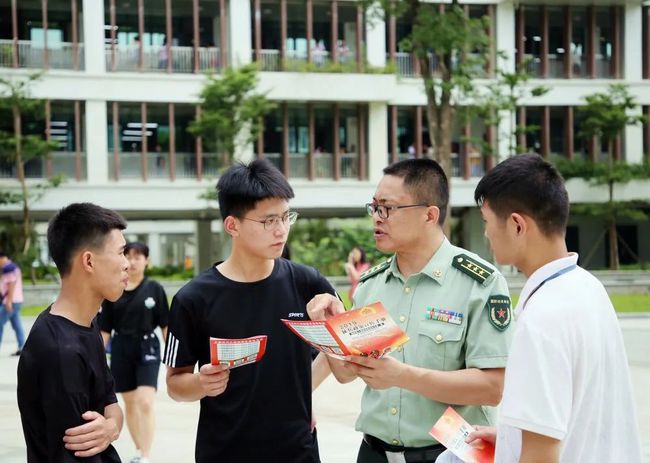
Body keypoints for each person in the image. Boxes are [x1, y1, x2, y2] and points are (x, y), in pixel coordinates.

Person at [307, 158, 514, 463]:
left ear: (430, 215)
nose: (377, 218)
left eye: (388, 208)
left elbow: (492, 387)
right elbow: (347, 374)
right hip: (374, 453)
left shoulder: (478, 283)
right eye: (374, 207)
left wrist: (402, 376)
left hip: (449, 454)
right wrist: (330, 331)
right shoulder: (370, 285)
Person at [458, 154, 642, 462]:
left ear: (517, 225)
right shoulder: (587, 288)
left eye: (487, 222)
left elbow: (541, 456)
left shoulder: (542, 318)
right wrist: (511, 438)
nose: (487, 234)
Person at [162, 159, 336, 462]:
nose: (281, 230)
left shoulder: (308, 283)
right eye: (269, 221)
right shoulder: (193, 298)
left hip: (297, 451)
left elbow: (335, 354)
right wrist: (202, 384)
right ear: (233, 225)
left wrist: (301, 396)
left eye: (286, 217)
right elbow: (175, 384)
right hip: (225, 452)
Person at [17, 202, 128, 462]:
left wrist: (111, 428)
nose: (127, 264)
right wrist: (111, 427)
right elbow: (77, 452)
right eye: (121, 252)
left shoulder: (87, 324)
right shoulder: (59, 350)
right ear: (88, 261)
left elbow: (112, 407)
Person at [100, 242, 169, 463]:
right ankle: (140, 450)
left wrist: (175, 359)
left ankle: (146, 456)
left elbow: (165, 325)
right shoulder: (114, 288)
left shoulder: (155, 289)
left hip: (148, 347)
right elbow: (104, 329)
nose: (132, 261)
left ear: (147, 260)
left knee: (145, 402)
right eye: (127, 256)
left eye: (138, 257)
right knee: (129, 403)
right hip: (121, 348)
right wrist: (96, 359)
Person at [0, 250, 26, 356]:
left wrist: (9, 301)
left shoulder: (8, 268)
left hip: (11, 301)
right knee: (16, 324)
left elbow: (11, 284)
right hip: (17, 300)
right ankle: (23, 347)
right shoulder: (14, 267)